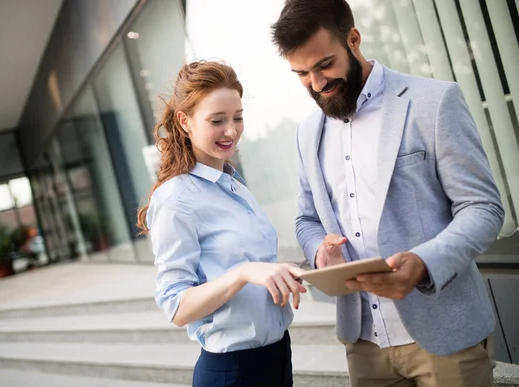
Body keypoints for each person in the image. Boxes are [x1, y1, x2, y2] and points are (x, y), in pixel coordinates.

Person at [271, 1, 504, 386]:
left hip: (446, 338)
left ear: (354, 39)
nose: (316, 84)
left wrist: (424, 262)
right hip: (364, 346)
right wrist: (320, 250)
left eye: (325, 65)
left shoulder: (433, 101)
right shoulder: (306, 132)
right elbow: (307, 219)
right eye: (302, 74)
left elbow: (483, 208)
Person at [136, 60, 306, 387]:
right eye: (217, 120)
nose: (231, 131)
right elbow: (177, 306)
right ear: (185, 122)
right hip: (233, 372)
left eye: (238, 117)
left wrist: (291, 270)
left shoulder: (233, 184)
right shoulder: (175, 199)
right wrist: (243, 273)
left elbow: (247, 266)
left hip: (277, 358)